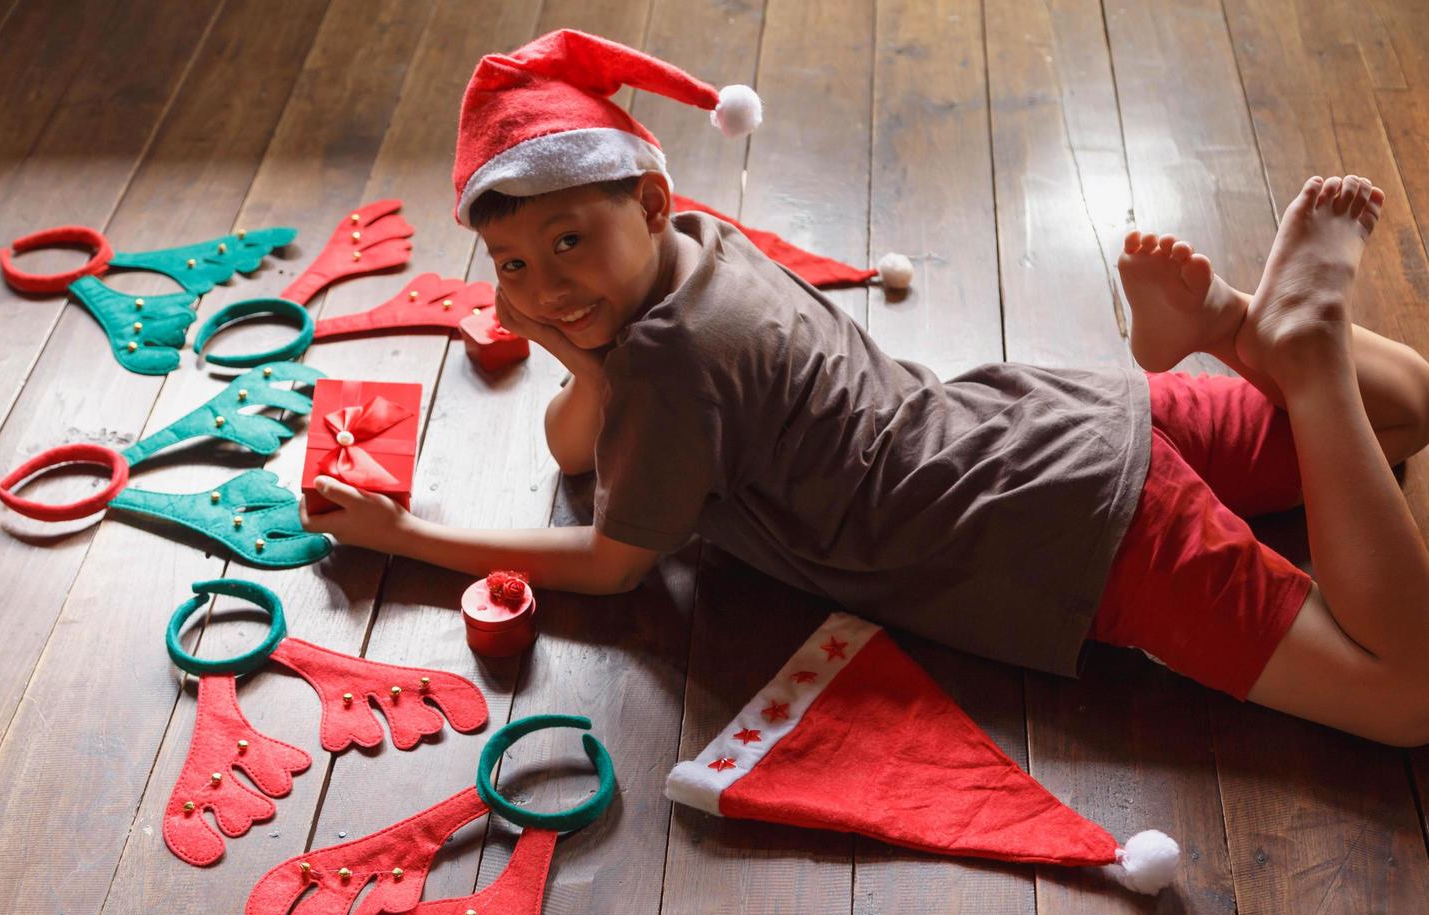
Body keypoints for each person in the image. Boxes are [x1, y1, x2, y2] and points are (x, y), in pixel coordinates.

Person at [303, 30, 1429, 746]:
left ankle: (1307, 346)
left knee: (1405, 695)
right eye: (512, 266)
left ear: (644, 204)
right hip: (1056, 419)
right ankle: (1238, 328)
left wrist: (410, 532)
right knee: (1405, 412)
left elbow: (609, 561)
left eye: (567, 243)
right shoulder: (700, 246)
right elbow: (572, 446)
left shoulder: (665, 365)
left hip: (1078, 533)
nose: (544, 285)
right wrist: (572, 338)